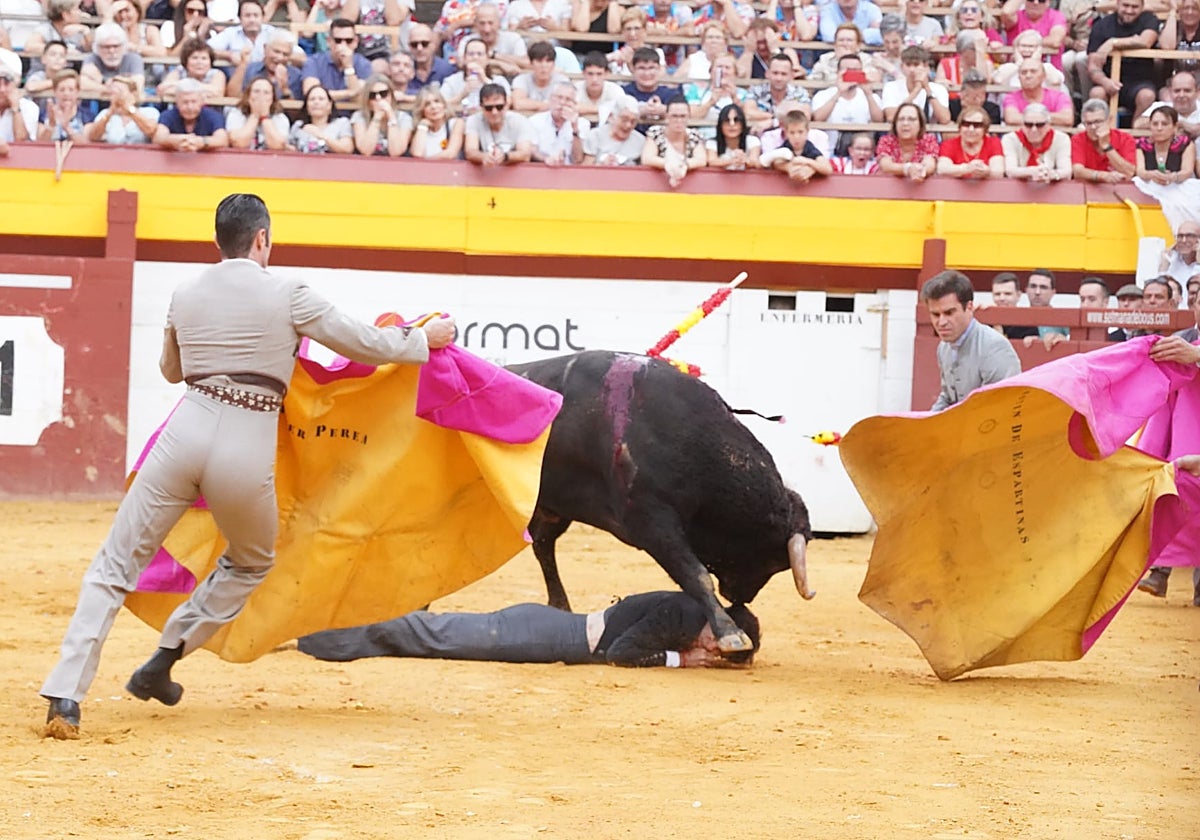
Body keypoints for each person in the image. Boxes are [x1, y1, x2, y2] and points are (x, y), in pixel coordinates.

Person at [40, 193, 458, 740]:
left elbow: (171, 370)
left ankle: (65, 696)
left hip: (185, 430)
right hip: (247, 437)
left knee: (115, 564)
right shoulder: (289, 292)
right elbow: (362, 342)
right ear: (261, 239)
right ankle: (166, 656)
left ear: (219, 243)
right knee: (252, 560)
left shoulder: (185, 292)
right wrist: (421, 341)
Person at [297, 591, 761, 667]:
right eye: (719, 649)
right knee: (430, 635)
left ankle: (323, 632)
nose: (713, 652)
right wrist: (685, 658)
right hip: (540, 636)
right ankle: (311, 635)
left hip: (543, 628)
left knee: (431, 634)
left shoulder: (687, 605)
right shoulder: (681, 617)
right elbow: (622, 653)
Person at [1136, 296, 1200, 603]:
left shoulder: (1188, 346)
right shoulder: (1183, 342)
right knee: (1177, 489)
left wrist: (1195, 354)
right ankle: (1160, 572)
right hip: (1188, 430)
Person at [922, 269, 1021, 412]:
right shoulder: (944, 347)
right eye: (935, 314)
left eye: (949, 313)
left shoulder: (994, 347)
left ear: (969, 307)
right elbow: (948, 397)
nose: (941, 322)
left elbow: (1000, 407)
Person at [1086, 0, 1161, 127]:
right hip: (1109, 79)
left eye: (1134, 7)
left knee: (1147, 96)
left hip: (1139, 82)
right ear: (1117, 4)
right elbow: (1093, 65)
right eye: (1125, 5)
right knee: (1096, 93)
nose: (1129, 10)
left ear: (1142, 7)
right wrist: (1105, 82)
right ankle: (1101, 136)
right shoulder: (1102, 25)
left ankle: (1135, 138)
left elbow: (1146, 41)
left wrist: (1113, 43)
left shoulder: (1149, 20)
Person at [810, 52, 884, 157]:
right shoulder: (823, 95)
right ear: (838, 72)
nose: (852, 74)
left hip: (862, 155)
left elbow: (879, 121)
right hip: (829, 152)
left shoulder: (871, 96)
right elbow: (817, 119)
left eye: (856, 70)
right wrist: (839, 92)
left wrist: (868, 94)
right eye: (848, 70)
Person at [300, 18, 373, 105]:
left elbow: (359, 99)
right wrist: (350, 93)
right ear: (329, 41)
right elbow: (311, 95)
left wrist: (349, 67)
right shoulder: (314, 62)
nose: (343, 45)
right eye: (338, 41)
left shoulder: (364, 64)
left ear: (355, 42)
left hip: (352, 116)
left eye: (348, 41)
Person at [642, 95, 706, 187]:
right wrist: (669, 165)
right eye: (674, 116)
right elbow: (647, 158)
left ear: (689, 116)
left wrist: (684, 166)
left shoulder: (694, 135)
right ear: (667, 116)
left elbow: (701, 159)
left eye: (683, 116)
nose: (679, 120)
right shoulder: (655, 133)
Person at [464, 82, 534, 166]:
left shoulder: (519, 120)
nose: (494, 112)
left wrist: (506, 156)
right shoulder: (474, 120)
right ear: (481, 107)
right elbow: (470, 151)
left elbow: (525, 154)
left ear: (506, 105)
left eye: (499, 107)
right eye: (488, 108)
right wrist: (483, 157)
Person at [440, 37, 512, 116]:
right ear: (464, 58)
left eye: (480, 54)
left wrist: (485, 81)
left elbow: (507, 104)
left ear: (487, 59)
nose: (475, 57)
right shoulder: (452, 81)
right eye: (471, 54)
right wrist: (463, 93)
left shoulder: (499, 81)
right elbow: (440, 105)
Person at [1071, 98, 1137, 184]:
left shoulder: (1126, 139)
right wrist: (1103, 176)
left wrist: (1106, 146)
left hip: (1119, 189)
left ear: (1109, 120)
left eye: (1098, 122)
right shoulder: (1078, 139)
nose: (1093, 127)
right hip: (1087, 189)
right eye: (1089, 123)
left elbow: (1129, 173)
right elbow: (1077, 171)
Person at [153, 77, 229, 151]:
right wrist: (178, 140)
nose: (190, 107)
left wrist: (202, 142)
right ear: (177, 102)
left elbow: (223, 140)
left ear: (202, 101)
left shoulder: (213, 116)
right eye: (185, 102)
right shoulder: (167, 115)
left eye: (194, 102)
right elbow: (158, 137)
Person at [880, 44, 950, 125]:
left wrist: (928, 89)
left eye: (916, 65)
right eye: (908, 65)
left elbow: (945, 119)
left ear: (926, 66)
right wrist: (916, 91)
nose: (912, 69)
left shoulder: (939, 89)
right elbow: (891, 117)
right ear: (902, 67)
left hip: (929, 135)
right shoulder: (891, 87)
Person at [1002, 103, 1072, 183]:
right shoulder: (1010, 139)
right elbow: (1010, 171)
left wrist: (1051, 174)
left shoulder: (1061, 139)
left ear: (1048, 125)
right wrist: (1032, 171)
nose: (1034, 130)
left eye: (1039, 125)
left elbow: (1067, 171)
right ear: (1022, 125)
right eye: (1028, 125)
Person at [85, 73, 159, 143]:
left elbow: (150, 131)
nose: (117, 97)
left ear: (133, 94)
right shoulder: (104, 114)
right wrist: (110, 113)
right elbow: (93, 137)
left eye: (120, 92)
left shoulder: (149, 112)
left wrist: (130, 110)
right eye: (113, 93)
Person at [762, 108, 831, 183]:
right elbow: (776, 162)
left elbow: (827, 168)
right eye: (792, 132)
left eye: (800, 132)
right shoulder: (785, 147)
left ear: (807, 131)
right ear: (786, 133)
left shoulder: (809, 147)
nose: (796, 137)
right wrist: (789, 168)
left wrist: (808, 163)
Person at [876, 101, 938, 181]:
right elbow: (885, 165)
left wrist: (920, 171)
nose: (905, 123)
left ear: (920, 124)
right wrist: (907, 169)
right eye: (901, 119)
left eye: (911, 119)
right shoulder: (886, 140)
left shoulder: (928, 140)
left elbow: (930, 164)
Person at [351, 74, 411, 156]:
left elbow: (396, 152)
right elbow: (366, 151)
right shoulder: (359, 116)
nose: (378, 98)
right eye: (372, 95)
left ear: (391, 95)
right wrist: (377, 118)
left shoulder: (404, 118)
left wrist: (391, 116)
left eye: (383, 94)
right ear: (367, 99)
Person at [1135, 105, 1196, 185]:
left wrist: (1172, 177)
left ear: (1175, 127)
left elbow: (1187, 171)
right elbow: (1140, 171)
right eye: (1155, 124)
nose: (1159, 128)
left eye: (1164, 124)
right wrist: (1152, 175)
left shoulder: (1185, 144)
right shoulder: (1142, 145)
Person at [1002, 58, 1073, 127]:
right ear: (1019, 77)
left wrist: (1031, 117)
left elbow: (1067, 119)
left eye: (1033, 71)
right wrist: (1046, 118)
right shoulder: (1011, 97)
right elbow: (1011, 119)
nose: (1028, 76)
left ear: (1044, 76)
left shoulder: (1059, 96)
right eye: (1024, 72)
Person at [528, 81, 588, 164]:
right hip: (542, 168)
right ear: (550, 98)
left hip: (569, 172)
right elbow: (531, 151)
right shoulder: (535, 121)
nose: (562, 102)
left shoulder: (582, 123)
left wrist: (575, 128)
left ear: (574, 104)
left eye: (568, 99)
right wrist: (546, 159)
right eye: (559, 97)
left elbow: (577, 159)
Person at [937, 106, 1004, 179]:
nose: (971, 129)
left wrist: (987, 171)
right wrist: (967, 168)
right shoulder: (949, 144)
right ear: (960, 127)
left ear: (985, 129)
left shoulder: (993, 142)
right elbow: (942, 169)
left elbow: (998, 172)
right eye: (966, 124)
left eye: (977, 125)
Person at [1000, 0, 1068, 71]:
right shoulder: (1016, 17)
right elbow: (1006, 12)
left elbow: (1055, 41)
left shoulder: (1056, 16)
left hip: (1049, 74)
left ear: (1048, 2)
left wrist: (1026, 42)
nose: (1035, 3)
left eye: (1041, 0)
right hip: (1016, 71)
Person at [226, 75, 290, 150]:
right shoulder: (236, 114)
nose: (261, 96)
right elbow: (239, 143)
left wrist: (265, 117)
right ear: (248, 96)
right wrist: (255, 115)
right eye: (256, 91)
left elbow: (277, 146)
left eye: (266, 93)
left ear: (272, 98)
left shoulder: (280, 118)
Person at [81, 23, 146, 97]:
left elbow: (137, 86)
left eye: (116, 46)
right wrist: (116, 89)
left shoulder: (134, 58)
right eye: (106, 47)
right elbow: (83, 84)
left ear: (123, 46)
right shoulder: (91, 59)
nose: (111, 51)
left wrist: (102, 80)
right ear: (97, 48)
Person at [288, 83, 354, 153]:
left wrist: (320, 135)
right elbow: (290, 149)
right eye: (312, 99)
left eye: (321, 99)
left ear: (329, 105)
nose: (316, 102)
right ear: (306, 106)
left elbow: (347, 149)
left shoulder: (341, 123)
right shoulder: (298, 126)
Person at [158, 39, 228, 99]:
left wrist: (179, 87)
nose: (199, 62)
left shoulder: (217, 74)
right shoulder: (179, 71)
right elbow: (163, 89)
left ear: (210, 62)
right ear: (186, 61)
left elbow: (217, 93)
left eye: (204, 58)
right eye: (195, 58)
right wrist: (204, 91)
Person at [409, 84, 464, 159]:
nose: (434, 107)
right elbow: (417, 153)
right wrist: (422, 126)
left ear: (444, 105)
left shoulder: (456, 123)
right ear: (422, 110)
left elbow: (451, 153)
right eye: (427, 104)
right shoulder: (420, 128)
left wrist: (426, 162)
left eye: (437, 101)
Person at [706, 101, 760, 170]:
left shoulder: (753, 141)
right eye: (727, 120)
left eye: (736, 120)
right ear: (720, 125)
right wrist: (732, 161)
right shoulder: (712, 143)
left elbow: (755, 162)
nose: (732, 124)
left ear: (742, 124)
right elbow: (712, 161)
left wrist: (744, 159)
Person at [406, 23, 454, 94]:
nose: (419, 48)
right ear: (409, 47)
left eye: (424, 44)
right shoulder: (402, 69)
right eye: (414, 44)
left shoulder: (447, 69)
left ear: (433, 45)